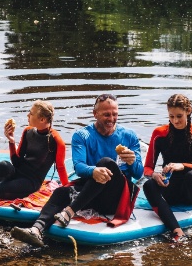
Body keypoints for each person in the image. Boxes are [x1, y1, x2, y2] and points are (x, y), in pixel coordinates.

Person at [10, 94, 144, 247]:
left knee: (107, 163)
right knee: (60, 192)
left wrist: (132, 162)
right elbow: (79, 167)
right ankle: (35, 230)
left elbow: (139, 173)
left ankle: (69, 212)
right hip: (89, 195)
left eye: (115, 114)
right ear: (95, 114)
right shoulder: (82, 135)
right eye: (106, 114)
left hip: (114, 198)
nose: (111, 118)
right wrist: (93, 171)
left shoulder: (129, 136)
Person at [142, 94, 192, 243]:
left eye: (179, 116)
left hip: (191, 191)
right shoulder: (159, 134)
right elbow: (147, 168)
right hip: (169, 190)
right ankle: (177, 232)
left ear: (189, 110)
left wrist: (183, 166)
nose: (175, 121)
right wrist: (155, 175)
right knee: (148, 185)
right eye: (171, 116)